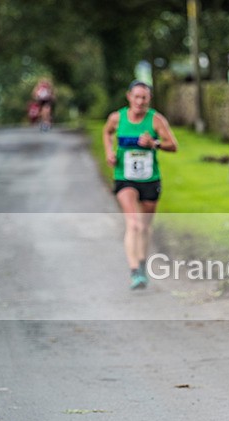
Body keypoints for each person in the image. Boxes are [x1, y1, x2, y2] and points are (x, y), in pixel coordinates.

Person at [102, 80, 178, 290]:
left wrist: (155, 144)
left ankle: (143, 262)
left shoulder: (155, 120)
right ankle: (134, 270)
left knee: (144, 226)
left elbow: (174, 146)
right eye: (136, 96)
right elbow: (106, 133)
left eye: (144, 97)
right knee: (133, 223)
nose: (139, 101)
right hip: (124, 177)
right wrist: (109, 151)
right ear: (129, 97)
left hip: (149, 179)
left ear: (149, 99)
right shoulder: (117, 118)